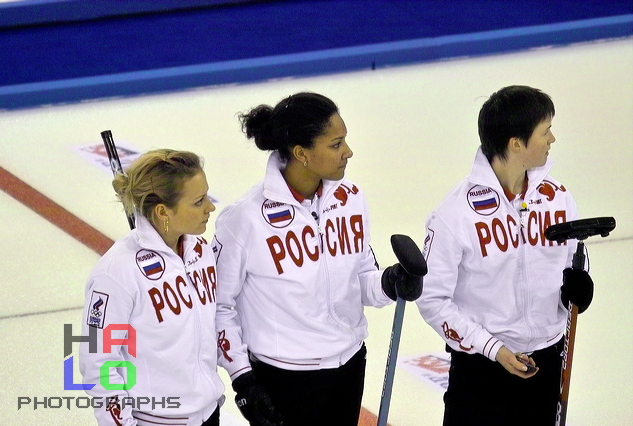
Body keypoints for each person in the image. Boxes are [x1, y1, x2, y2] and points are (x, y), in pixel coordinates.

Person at [213, 92, 423, 426]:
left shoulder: (350, 199)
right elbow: (218, 306)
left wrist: (389, 283)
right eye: (336, 144)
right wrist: (244, 380)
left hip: (349, 365)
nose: (348, 152)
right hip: (285, 377)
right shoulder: (245, 220)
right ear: (302, 154)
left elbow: (361, 275)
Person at [416, 85, 594, 425]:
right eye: (545, 131)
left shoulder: (558, 198)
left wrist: (576, 289)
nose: (552, 139)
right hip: (481, 371)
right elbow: (433, 300)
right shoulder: (455, 213)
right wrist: (492, 348)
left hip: (547, 360)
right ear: (516, 144)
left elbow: (573, 260)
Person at [79, 149, 224, 426]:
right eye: (198, 201)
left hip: (208, 414)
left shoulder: (200, 252)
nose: (210, 207)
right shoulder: (116, 273)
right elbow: (99, 364)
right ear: (162, 211)